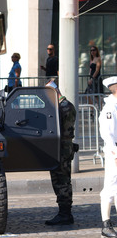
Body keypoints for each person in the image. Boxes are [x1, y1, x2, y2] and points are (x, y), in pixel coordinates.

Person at [45, 80, 76, 226]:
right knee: (63, 179)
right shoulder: (67, 105)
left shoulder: (61, 107)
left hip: (61, 147)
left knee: (61, 180)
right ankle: (65, 212)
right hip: (65, 146)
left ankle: (65, 214)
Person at [98, 77, 117, 238]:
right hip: (115, 151)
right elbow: (108, 135)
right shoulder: (110, 109)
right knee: (110, 187)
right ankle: (106, 225)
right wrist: (115, 153)